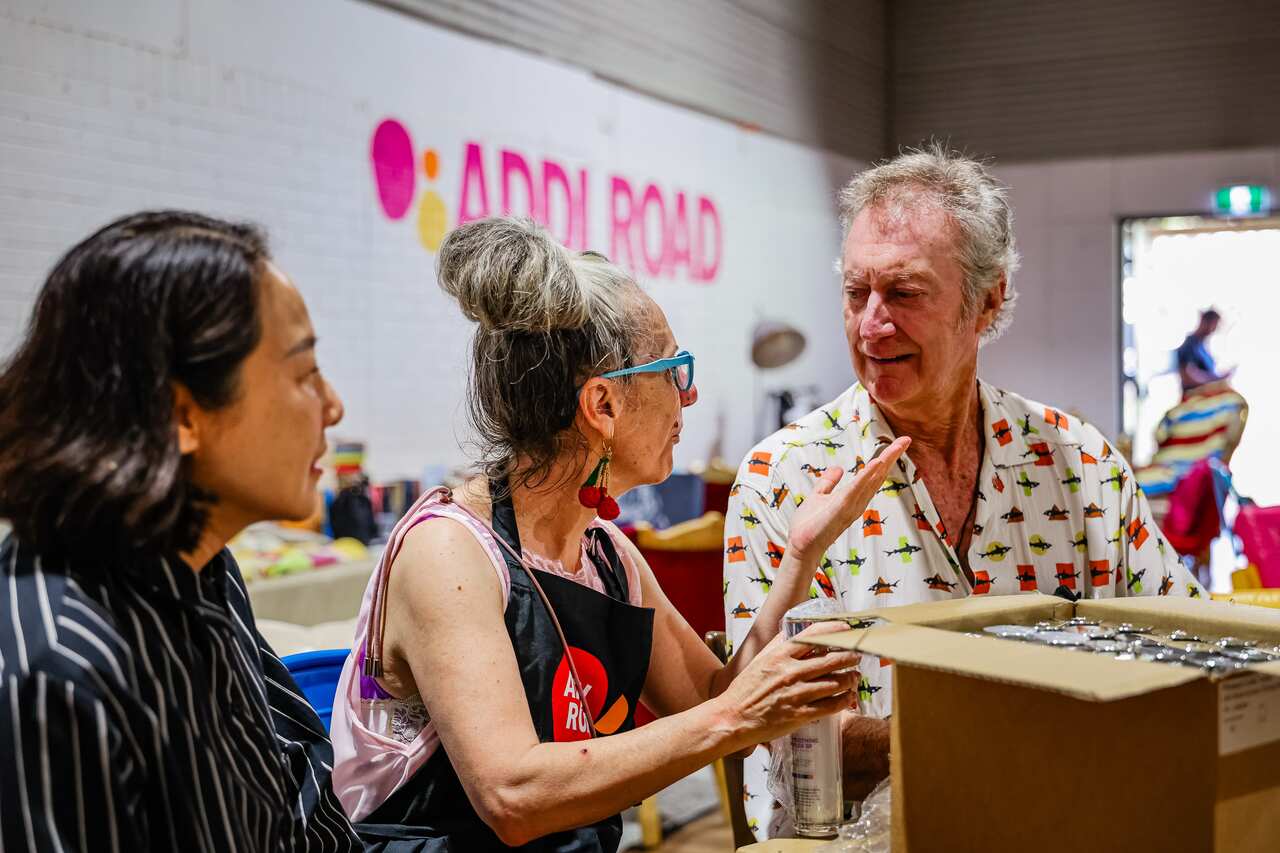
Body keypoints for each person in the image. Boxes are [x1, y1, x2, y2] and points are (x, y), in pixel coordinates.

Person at [330, 217, 910, 851]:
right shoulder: (449, 552)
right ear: (602, 405)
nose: (689, 399)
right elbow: (513, 796)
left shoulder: (604, 554)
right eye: (675, 370)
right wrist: (739, 714)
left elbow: (712, 696)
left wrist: (801, 554)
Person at [723, 145, 1207, 841]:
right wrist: (1025, 729)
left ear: (988, 299)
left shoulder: (1080, 465)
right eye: (857, 293)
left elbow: (1185, 645)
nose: (871, 324)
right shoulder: (785, 477)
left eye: (905, 293)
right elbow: (787, 732)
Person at [0, 212, 362, 851]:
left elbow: (298, 798)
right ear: (181, 414)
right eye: (304, 373)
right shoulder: (59, 667)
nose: (332, 405)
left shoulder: (202, 563)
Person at [1175, 308, 1231, 392]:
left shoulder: (1202, 347)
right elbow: (1187, 377)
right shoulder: (1189, 344)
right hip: (1194, 397)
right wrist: (1216, 379)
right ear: (1204, 321)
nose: (1214, 329)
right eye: (1214, 324)